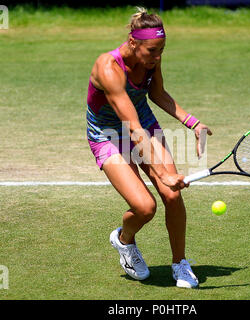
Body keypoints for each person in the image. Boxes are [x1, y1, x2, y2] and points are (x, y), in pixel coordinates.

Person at [86, 7, 212, 289]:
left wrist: (193, 123)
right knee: (145, 207)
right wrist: (161, 172)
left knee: (172, 195)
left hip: (142, 123)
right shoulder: (108, 68)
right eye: (152, 50)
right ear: (133, 43)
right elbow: (131, 128)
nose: (157, 57)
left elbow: (156, 94)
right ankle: (124, 240)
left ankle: (180, 263)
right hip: (108, 135)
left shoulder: (151, 60)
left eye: (162, 50)